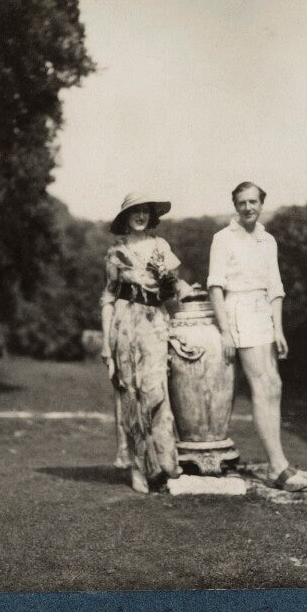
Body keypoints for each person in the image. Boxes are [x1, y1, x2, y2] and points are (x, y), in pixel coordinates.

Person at [207, 182, 307, 492]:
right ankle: (277, 466)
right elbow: (215, 286)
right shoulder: (223, 239)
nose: (248, 207)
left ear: (261, 203)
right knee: (261, 385)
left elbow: (275, 288)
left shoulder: (268, 240)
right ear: (235, 205)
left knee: (275, 385)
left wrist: (278, 329)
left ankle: (277, 463)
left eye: (253, 201)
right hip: (238, 311)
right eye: (242, 202)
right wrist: (226, 330)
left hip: (263, 315)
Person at [100, 191, 191, 494]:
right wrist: (105, 343)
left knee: (156, 392)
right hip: (125, 326)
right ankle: (139, 469)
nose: (140, 216)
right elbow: (109, 297)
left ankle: (166, 466)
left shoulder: (160, 247)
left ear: (151, 216)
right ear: (125, 216)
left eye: (145, 211)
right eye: (134, 211)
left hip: (154, 325)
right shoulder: (116, 252)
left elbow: (173, 292)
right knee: (130, 394)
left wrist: (172, 285)